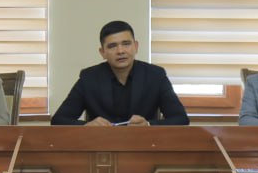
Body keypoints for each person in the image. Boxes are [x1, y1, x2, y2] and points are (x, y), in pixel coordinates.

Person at [51, 20, 189, 126]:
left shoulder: (155, 76)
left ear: (136, 46)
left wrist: (148, 125)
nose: (120, 51)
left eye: (126, 44)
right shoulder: (89, 78)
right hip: (102, 148)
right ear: (102, 53)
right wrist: (87, 125)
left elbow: (181, 118)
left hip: (143, 145)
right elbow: (59, 120)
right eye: (112, 46)